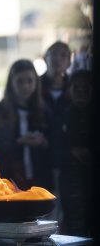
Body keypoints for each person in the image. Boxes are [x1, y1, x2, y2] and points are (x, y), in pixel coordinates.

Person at [0, 59, 53, 192]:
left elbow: (56, 144)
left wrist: (43, 142)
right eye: (20, 81)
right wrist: (18, 142)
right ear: (11, 83)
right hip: (9, 180)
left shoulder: (44, 110)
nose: (25, 86)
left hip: (40, 180)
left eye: (30, 81)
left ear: (36, 82)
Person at [40, 41, 72, 222]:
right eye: (53, 54)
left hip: (67, 159)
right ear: (46, 58)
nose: (58, 59)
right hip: (40, 160)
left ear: (69, 61)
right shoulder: (34, 86)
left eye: (63, 55)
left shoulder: (76, 88)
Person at [59, 70, 93, 237]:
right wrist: (72, 152)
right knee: (75, 230)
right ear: (69, 90)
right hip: (71, 184)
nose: (81, 92)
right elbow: (54, 152)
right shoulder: (63, 115)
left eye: (86, 88)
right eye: (76, 88)